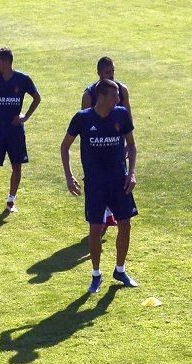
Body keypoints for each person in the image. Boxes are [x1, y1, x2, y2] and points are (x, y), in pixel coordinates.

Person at [60, 78, 139, 293]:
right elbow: (65, 147)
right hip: (95, 184)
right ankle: (96, 274)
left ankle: (120, 269)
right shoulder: (82, 118)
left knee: (125, 225)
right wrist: (69, 176)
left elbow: (131, 146)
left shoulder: (121, 115)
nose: (118, 100)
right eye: (114, 96)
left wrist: (131, 173)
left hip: (118, 181)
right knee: (95, 229)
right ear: (102, 97)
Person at [0, 47, 41, 215]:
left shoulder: (23, 79)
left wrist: (25, 116)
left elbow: (37, 98)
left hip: (15, 132)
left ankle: (11, 200)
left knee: (16, 166)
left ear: (6, 62)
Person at [81, 57, 132, 228]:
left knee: (116, 175)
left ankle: (109, 215)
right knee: (100, 178)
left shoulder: (121, 90)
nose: (111, 75)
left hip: (115, 142)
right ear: (99, 73)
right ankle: (102, 216)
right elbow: (85, 126)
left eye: (112, 72)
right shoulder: (89, 95)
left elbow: (127, 118)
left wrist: (126, 143)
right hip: (96, 147)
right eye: (107, 73)